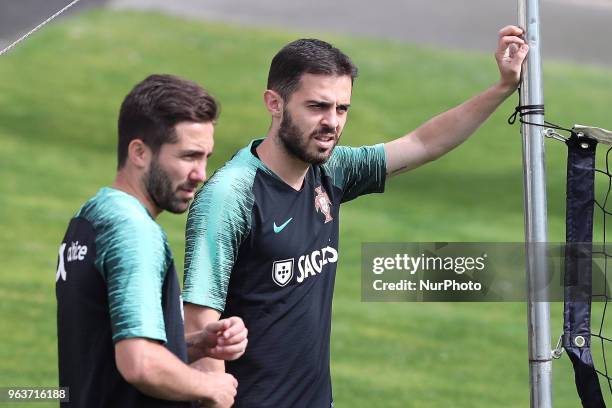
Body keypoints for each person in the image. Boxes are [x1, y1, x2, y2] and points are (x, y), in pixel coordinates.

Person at [182, 26, 528, 407]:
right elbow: (200, 319)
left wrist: (502, 88)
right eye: (317, 106)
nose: (332, 122)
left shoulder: (330, 170)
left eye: (341, 108)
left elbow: (423, 143)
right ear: (274, 103)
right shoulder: (231, 195)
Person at [55, 74, 248, 408]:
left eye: (206, 157)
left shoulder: (89, 219)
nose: (201, 174)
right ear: (140, 152)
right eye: (189, 156)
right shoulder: (134, 233)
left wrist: (194, 345)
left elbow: (108, 353)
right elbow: (139, 363)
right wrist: (208, 385)